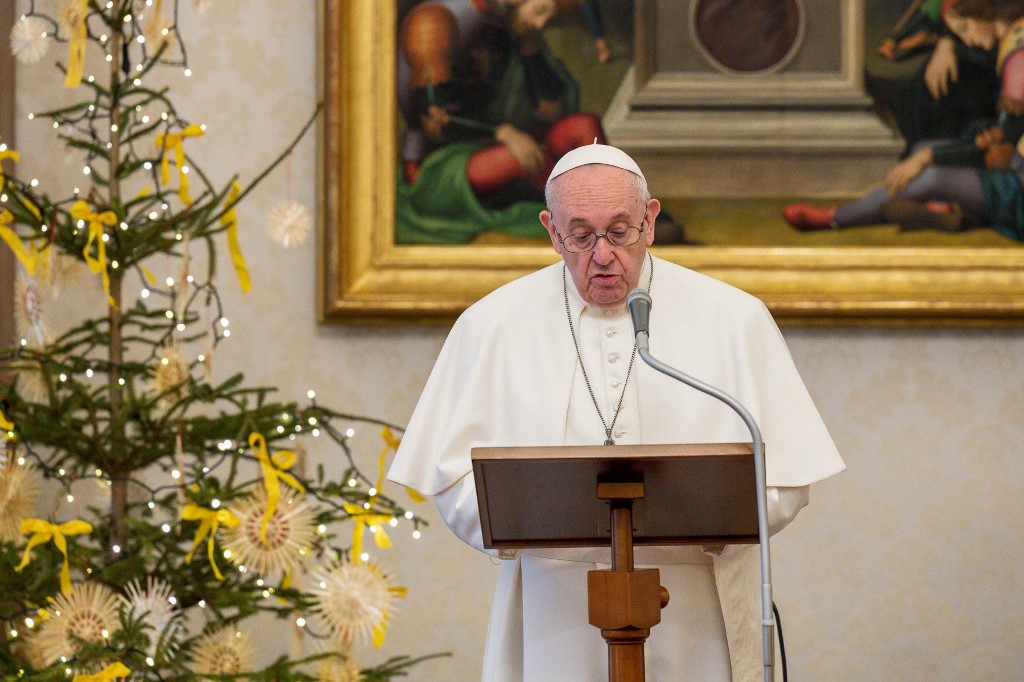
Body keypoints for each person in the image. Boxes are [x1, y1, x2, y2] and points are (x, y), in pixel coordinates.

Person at [388, 143, 846, 681]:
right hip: (552, 615)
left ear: (650, 221)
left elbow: (786, 481)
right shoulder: (492, 326)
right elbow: (454, 483)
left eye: (620, 231)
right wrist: (542, 521)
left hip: (699, 610)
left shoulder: (733, 318)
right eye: (580, 236)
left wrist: (707, 519)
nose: (601, 254)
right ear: (550, 231)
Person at [785, 0, 1024, 241]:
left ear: (982, 9)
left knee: (931, 174)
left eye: (964, 28)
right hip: (1017, 161)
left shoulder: (1018, 58)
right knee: (922, 150)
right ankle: (951, 208)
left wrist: (926, 158)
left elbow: (999, 149)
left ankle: (835, 217)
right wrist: (945, 43)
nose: (966, 40)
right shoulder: (1013, 34)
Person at [395, 0, 604, 244]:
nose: (540, 24)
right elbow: (435, 121)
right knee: (525, 159)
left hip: (511, 143)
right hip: (440, 164)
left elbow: (551, 112)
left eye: (550, 20)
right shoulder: (434, 22)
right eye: (540, 12)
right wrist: (505, 133)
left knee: (585, 126)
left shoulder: (513, 24)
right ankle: (594, 218)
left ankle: (605, 205)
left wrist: (530, 50)